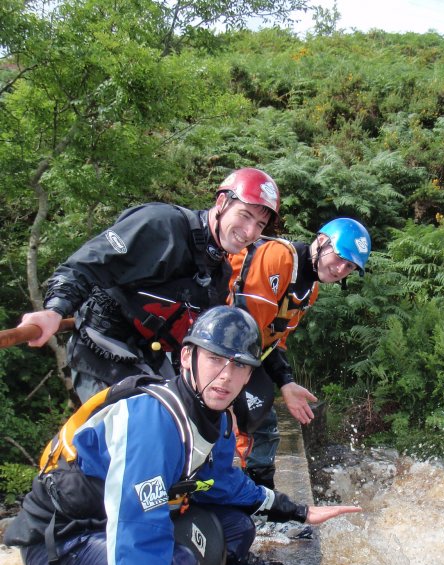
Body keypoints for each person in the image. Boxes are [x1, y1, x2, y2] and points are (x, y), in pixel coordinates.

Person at [4, 307, 361, 565]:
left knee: (236, 530)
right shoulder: (152, 421)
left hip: (109, 529)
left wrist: (296, 510)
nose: (226, 376)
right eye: (215, 359)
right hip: (63, 542)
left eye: (240, 366)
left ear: (249, 375)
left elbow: (225, 484)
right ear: (187, 357)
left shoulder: (217, 419)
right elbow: (137, 536)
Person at [19, 168, 280, 403]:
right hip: (102, 346)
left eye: (259, 225)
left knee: (190, 414)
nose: (249, 232)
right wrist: (53, 310)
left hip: (150, 354)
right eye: (244, 216)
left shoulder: (219, 272)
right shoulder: (161, 225)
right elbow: (84, 265)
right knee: (141, 426)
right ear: (222, 202)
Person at [230, 218, 371, 489]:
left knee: (263, 423)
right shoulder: (280, 258)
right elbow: (244, 329)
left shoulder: (310, 289)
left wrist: (286, 381)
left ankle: (260, 500)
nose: (342, 269)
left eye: (350, 266)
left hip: (244, 350)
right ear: (321, 241)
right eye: (340, 257)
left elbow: (273, 342)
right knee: (248, 416)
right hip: (216, 346)